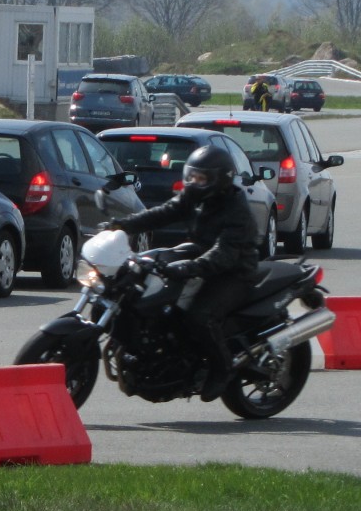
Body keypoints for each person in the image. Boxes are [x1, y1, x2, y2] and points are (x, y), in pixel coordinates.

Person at [103, 143, 264, 401]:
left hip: (233, 271)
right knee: (147, 285)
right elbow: (165, 212)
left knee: (200, 316)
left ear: (220, 179)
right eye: (192, 177)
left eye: (201, 178)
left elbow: (223, 254)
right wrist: (123, 226)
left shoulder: (237, 211)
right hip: (199, 255)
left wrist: (187, 268)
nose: (194, 183)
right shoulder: (196, 197)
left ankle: (222, 368)